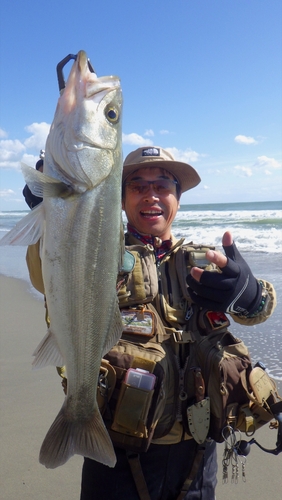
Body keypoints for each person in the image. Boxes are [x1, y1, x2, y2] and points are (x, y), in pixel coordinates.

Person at [26, 146, 276, 499]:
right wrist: (53, 213)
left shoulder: (207, 261)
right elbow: (47, 274)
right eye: (138, 186)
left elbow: (261, 309)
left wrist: (249, 294)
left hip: (197, 457)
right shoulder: (93, 254)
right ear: (121, 198)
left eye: (163, 185)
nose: (151, 195)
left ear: (177, 195)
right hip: (116, 455)